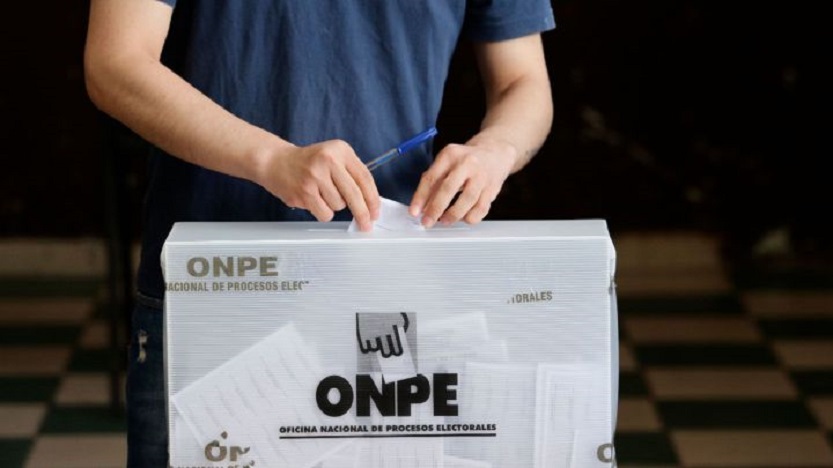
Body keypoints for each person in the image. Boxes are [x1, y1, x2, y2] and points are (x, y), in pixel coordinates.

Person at [84, 0, 554, 465]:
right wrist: (271, 158)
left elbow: (523, 82)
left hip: (392, 291)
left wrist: (496, 149)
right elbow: (116, 62)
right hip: (215, 290)